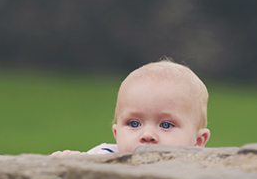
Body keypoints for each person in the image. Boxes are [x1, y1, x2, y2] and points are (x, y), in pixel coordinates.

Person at [51, 59, 211, 156]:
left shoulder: (200, 173)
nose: (147, 135)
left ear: (197, 142)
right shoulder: (103, 158)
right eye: (134, 124)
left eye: (166, 125)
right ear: (116, 133)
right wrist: (71, 160)